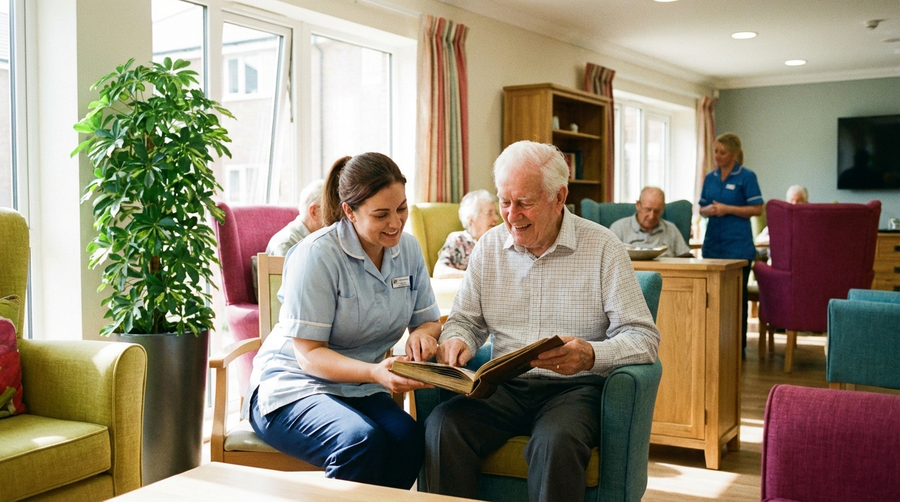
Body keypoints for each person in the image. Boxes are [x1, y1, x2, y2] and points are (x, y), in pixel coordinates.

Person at [424, 141, 661, 502]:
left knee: (554, 444)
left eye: (525, 203)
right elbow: (464, 320)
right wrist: (458, 340)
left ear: (559, 196)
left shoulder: (602, 247)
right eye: (505, 201)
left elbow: (643, 337)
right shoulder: (488, 248)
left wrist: (592, 355)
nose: (510, 215)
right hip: (503, 386)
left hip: (574, 390)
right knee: (443, 426)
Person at [242, 152, 442, 489]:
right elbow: (308, 355)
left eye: (402, 209)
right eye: (381, 214)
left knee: (409, 440)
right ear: (349, 211)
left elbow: (428, 320)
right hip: (292, 389)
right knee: (359, 442)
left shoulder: (406, 249)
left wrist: (423, 335)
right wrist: (374, 372)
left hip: (358, 389)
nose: (395, 223)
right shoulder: (316, 255)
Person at [698, 132, 763, 356]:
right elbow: (701, 208)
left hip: (738, 247)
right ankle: (714, 343)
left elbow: (757, 209)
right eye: (715, 151)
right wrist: (711, 210)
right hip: (713, 246)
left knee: (737, 299)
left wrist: (728, 209)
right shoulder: (710, 177)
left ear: (733, 154)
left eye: (722, 152)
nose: (717, 155)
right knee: (712, 297)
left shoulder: (747, 177)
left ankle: (738, 346)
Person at [432, 189, 500, 279]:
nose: (496, 218)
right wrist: (474, 277)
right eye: (489, 213)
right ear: (471, 219)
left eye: (496, 213)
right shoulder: (459, 240)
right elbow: (440, 272)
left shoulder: (499, 241)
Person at [609, 186, 691, 257]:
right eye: (648, 209)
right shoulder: (618, 228)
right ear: (638, 205)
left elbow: (684, 258)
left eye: (657, 211)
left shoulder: (671, 229)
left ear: (662, 208)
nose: (651, 216)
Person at [266, 179, 326, 256]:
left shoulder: (320, 240)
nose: (339, 219)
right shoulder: (286, 245)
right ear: (314, 212)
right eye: (333, 212)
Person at [754, 184, 808, 249]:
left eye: (799, 200)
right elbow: (759, 241)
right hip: (778, 255)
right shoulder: (779, 221)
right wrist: (778, 239)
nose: (794, 203)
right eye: (791, 200)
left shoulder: (809, 222)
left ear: (806, 203)